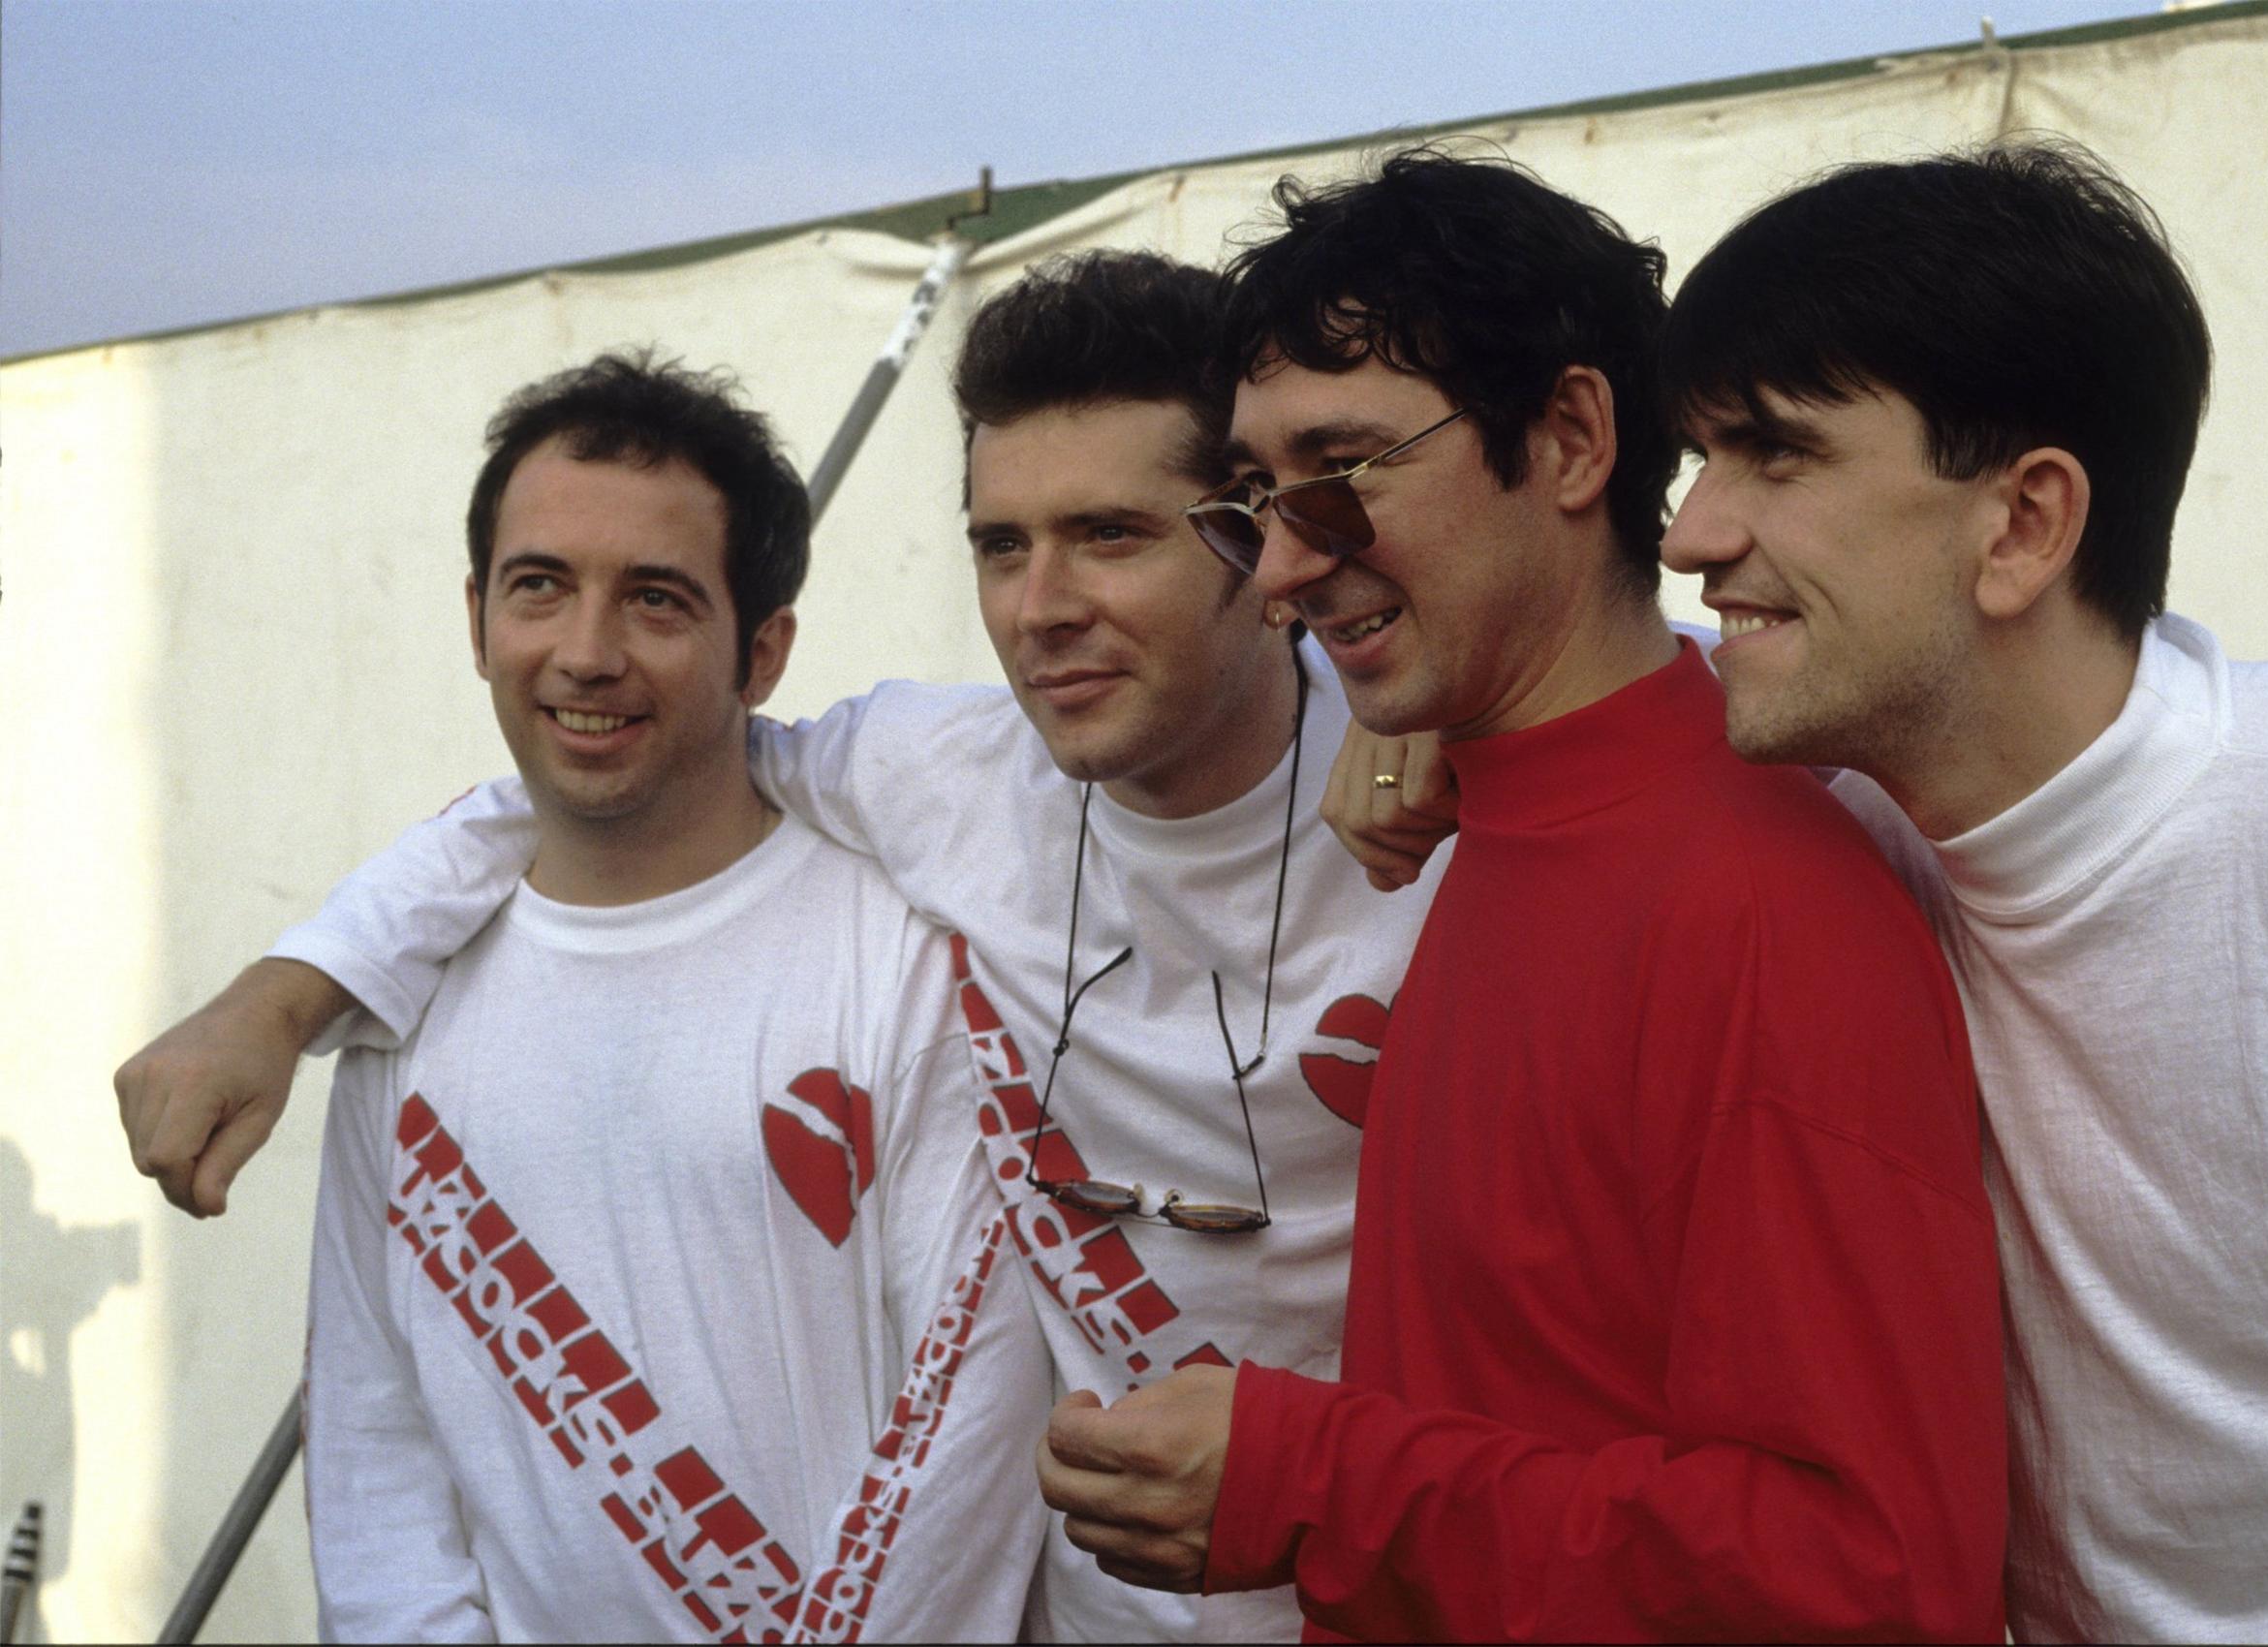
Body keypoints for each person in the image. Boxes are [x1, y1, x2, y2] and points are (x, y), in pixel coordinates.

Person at [117, 252, 1451, 1642]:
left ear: (1261, 540)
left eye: (1111, 533)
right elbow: (597, 790)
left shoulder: (1463, 791)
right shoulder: (939, 776)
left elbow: (1622, 669)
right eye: (1001, 545)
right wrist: (280, 998)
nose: (1040, 605)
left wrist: (1444, 702)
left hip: (1403, 1593)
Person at [1035, 150, 2008, 1642]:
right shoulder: (1497, 805)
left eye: (1343, 479)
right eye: (1253, 500)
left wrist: (1316, 1483)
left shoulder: (1759, 908)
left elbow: (1869, 1577)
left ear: (1566, 439)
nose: (1283, 568)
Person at [1648, 143, 2268, 1643]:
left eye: (1776, 454)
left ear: (2024, 525)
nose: (1694, 535)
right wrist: (1410, 731)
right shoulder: (1831, 822)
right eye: (1701, 457)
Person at [303, 353, 1048, 1640]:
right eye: (540, 588)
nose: (586, 655)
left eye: (656, 600)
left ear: (762, 652)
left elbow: (970, 1439)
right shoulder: (402, 992)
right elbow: (376, 1446)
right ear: (478, 615)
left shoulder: (906, 956)